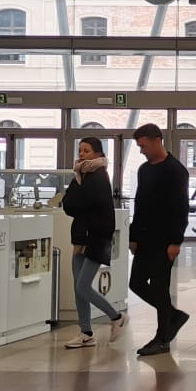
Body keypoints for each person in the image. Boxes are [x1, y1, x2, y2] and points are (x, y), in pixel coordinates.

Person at [129, 123, 191, 357]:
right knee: (136, 283)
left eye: (143, 145)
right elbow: (139, 204)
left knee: (159, 287)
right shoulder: (144, 170)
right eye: (139, 146)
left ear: (157, 140)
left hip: (165, 241)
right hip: (144, 239)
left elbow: (180, 208)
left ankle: (163, 337)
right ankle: (173, 316)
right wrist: (134, 236)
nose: (142, 150)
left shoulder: (175, 170)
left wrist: (176, 241)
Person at [62, 137, 124, 348]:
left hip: (94, 239)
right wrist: (74, 195)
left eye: (86, 151)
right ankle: (86, 332)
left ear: (98, 154)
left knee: (82, 286)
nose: (82, 154)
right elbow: (68, 205)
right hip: (81, 238)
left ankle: (116, 317)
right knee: (78, 286)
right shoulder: (81, 175)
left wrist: (75, 198)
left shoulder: (97, 177)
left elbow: (78, 202)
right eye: (80, 150)